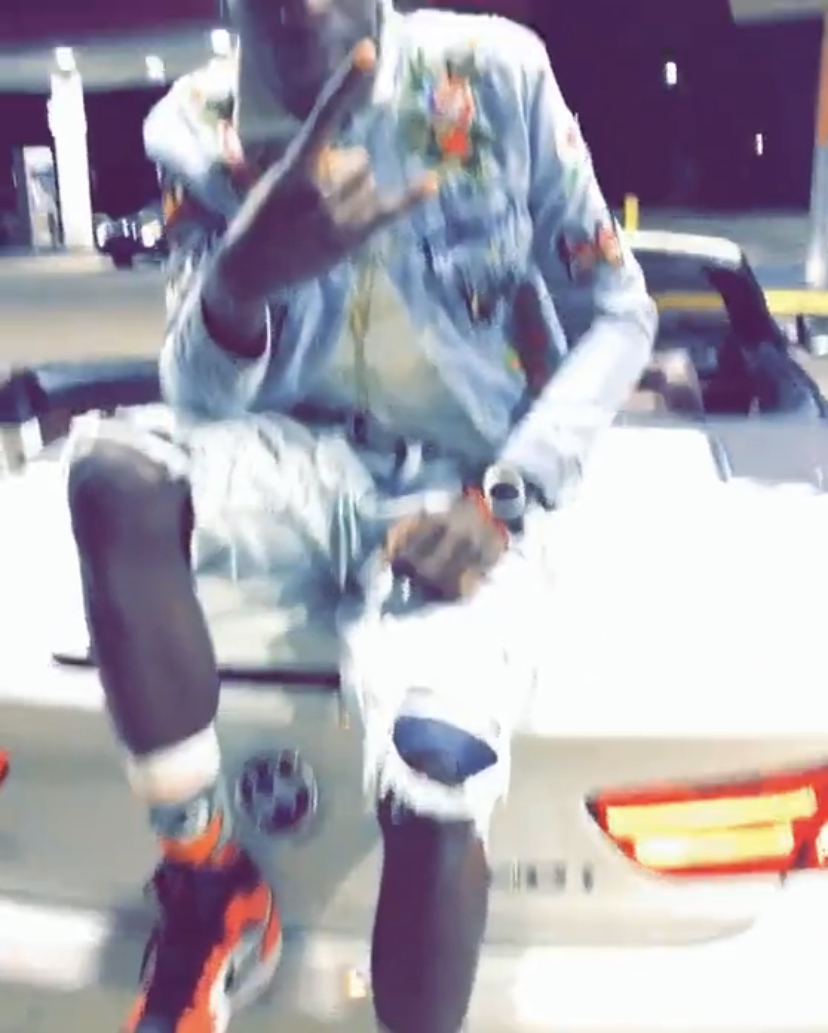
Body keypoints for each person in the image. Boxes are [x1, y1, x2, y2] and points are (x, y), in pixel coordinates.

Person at [66, 0, 656, 1030]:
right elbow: (197, 399)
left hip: (462, 479)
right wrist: (240, 281)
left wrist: (507, 493)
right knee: (115, 473)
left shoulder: (493, 77)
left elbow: (619, 308)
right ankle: (210, 879)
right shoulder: (194, 128)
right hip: (299, 462)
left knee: (439, 770)